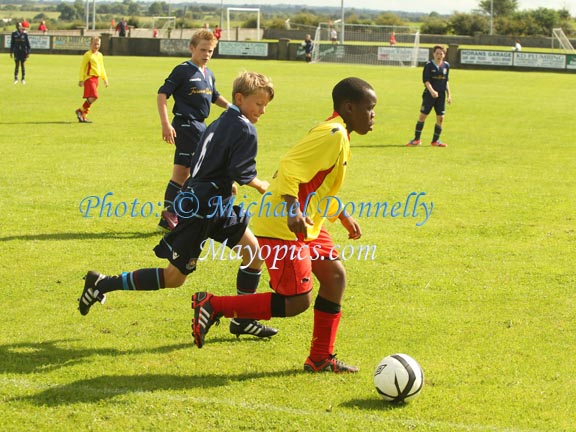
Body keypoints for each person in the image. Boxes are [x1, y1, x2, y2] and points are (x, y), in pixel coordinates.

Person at [190, 77, 377, 374]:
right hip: (284, 223)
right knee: (295, 302)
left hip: (307, 223)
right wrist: (292, 211)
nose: (373, 115)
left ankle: (320, 358)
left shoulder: (339, 133)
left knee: (334, 276)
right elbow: (290, 167)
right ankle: (214, 306)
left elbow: (315, 185)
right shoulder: (334, 133)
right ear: (349, 107)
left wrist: (340, 214)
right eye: (370, 108)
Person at [78, 71, 278, 340]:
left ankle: (243, 319)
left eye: (266, 105)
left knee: (253, 254)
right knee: (174, 278)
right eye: (259, 104)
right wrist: (260, 185)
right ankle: (102, 283)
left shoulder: (222, 120)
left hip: (215, 204)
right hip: (201, 209)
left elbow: (202, 159)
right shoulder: (244, 127)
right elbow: (243, 171)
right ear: (240, 98)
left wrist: (223, 179)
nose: (263, 111)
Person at [156, 29, 230, 232]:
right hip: (186, 125)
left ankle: (171, 214)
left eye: (210, 51)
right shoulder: (182, 70)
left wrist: (233, 108)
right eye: (203, 50)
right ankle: (174, 213)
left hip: (200, 126)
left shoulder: (209, 74)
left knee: (190, 171)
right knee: (185, 172)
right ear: (192, 48)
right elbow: (162, 95)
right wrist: (165, 124)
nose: (206, 54)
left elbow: (214, 96)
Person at [406, 44, 451, 148]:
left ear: (444, 55)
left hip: (441, 96)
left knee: (441, 118)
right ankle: (416, 139)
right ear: (433, 54)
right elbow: (426, 81)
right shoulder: (428, 65)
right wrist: (432, 91)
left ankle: (435, 141)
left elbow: (446, 81)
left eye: (441, 53)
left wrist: (449, 95)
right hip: (429, 95)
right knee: (423, 116)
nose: (439, 55)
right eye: (437, 53)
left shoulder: (446, 66)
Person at [75, 36, 108, 123]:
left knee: (91, 98)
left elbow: (102, 67)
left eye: (98, 44)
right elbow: (82, 67)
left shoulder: (100, 55)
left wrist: (105, 78)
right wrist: (81, 79)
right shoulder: (88, 55)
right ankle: (80, 110)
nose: (96, 46)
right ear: (90, 44)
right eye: (95, 44)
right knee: (94, 96)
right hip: (89, 78)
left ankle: (83, 116)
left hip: (96, 79)